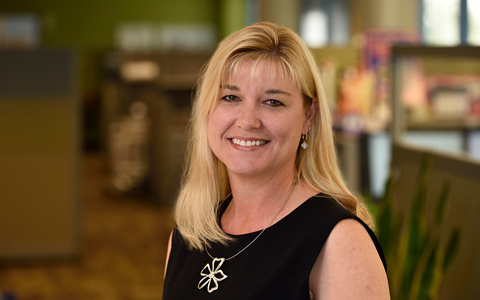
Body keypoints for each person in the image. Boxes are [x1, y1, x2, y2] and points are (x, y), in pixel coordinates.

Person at [162, 22, 390, 299]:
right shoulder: (189, 234)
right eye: (230, 97)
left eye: (273, 102)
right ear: (208, 109)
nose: (247, 121)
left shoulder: (339, 241)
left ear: (309, 117)